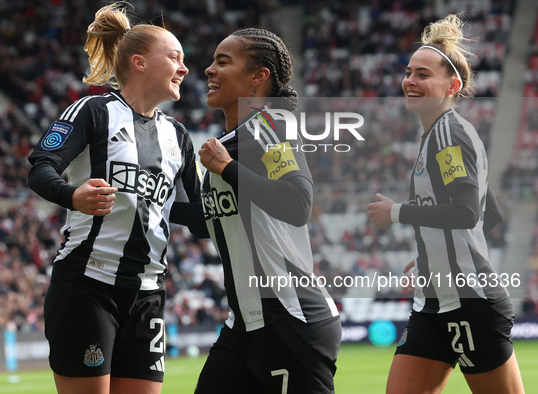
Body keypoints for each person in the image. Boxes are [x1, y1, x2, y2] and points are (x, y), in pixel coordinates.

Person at [27, 3, 201, 393]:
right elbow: (40, 166)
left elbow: (198, 217)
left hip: (149, 294)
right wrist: (73, 196)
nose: (185, 68)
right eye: (174, 57)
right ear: (139, 63)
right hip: (88, 285)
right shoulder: (93, 111)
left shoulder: (179, 137)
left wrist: (248, 190)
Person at [367, 14, 525, 394]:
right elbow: (490, 213)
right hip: (434, 303)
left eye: (423, 74)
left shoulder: (449, 133)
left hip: (469, 302)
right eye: (408, 72)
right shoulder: (436, 135)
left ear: (452, 84)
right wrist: (434, 254)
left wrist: (396, 212)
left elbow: (466, 212)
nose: (410, 80)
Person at [192, 28, 341, 393]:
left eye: (223, 62)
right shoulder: (232, 142)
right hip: (243, 327)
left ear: (258, 77)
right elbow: (209, 221)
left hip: (289, 320)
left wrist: (227, 168)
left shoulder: (269, 126)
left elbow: (298, 202)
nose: (209, 70)